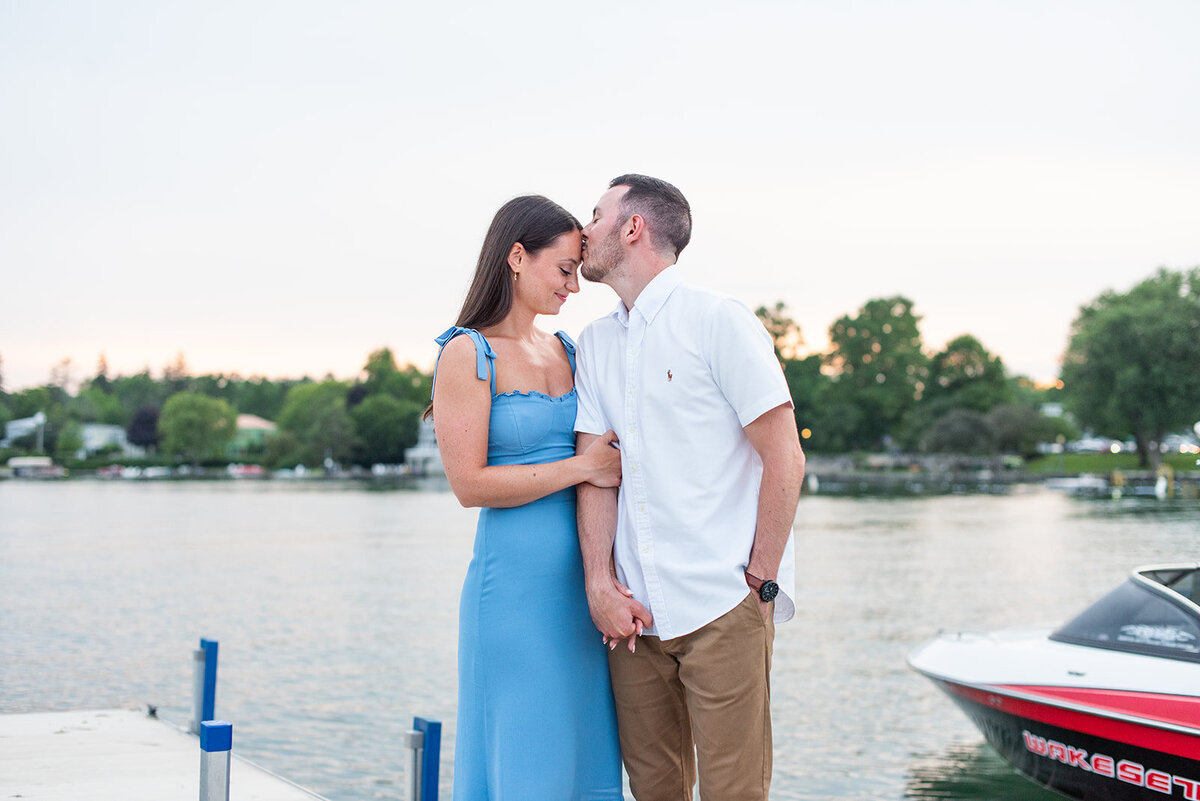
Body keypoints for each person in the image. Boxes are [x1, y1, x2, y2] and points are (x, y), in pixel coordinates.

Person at [573, 175, 805, 801]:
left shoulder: (718, 321)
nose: (582, 229)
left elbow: (785, 457)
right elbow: (597, 470)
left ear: (633, 227)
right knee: (655, 792)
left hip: (722, 603)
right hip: (633, 618)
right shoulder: (593, 344)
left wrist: (759, 577)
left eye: (595, 215)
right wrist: (599, 581)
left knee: (734, 793)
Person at [429, 194, 625, 800]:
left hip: (583, 589)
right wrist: (583, 466)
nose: (573, 286)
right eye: (564, 269)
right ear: (517, 256)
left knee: (587, 760)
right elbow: (470, 485)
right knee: (525, 759)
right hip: (513, 594)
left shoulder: (569, 350)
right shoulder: (468, 353)